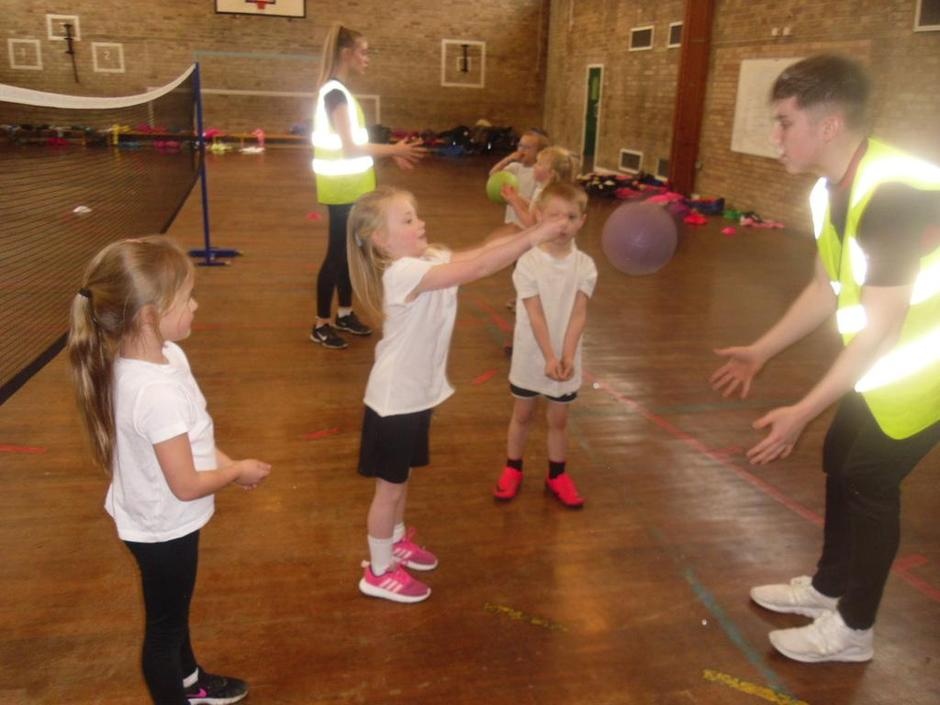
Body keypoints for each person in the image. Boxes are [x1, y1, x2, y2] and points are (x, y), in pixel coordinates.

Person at [710, 54, 940, 663]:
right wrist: (761, 350)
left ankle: (854, 630)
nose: (775, 135)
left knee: (869, 477)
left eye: (785, 122)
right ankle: (828, 587)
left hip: (927, 367)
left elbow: (882, 329)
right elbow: (824, 287)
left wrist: (802, 410)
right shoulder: (830, 189)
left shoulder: (891, 197)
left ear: (829, 125)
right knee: (841, 457)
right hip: (896, 355)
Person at [67, 236, 272, 704]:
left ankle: (191, 681)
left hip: (161, 517)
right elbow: (186, 484)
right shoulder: (153, 392)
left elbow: (194, 435)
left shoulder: (167, 357)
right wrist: (235, 471)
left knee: (174, 615)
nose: (196, 305)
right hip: (163, 528)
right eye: (187, 298)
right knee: (164, 630)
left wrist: (225, 461)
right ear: (148, 315)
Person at [347, 186, 566, 603]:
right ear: (381, 239)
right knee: (388, 490)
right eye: (407, 220)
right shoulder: (402, 273)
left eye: (417, 215)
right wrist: (535, 236)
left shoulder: (425, 260)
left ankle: (395, 541)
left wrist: (522, 229)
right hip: (393, 402)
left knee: (401, 479)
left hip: (415, 398)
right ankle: (378, 570)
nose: (420, 223)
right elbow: (479, 267)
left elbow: (480, 251)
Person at [310, 22, 425, 350]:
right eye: (363, 52)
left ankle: (345, 313)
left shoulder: (340, 92)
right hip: (341, 189)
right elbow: (350, 147)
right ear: (346, 53)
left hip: (354, 187)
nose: (367, 58)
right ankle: (321, 323)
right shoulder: (334, 94)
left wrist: (390, 155)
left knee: (351, 253)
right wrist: (394, 149)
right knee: (336, 255)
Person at [492, 182, 597, 508]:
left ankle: (557, 475)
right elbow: (534, 313)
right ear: (538, 216)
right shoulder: (528, 263)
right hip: (531, 355)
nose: (563, 224)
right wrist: (549, 356)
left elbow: (579, 314)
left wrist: (567, 356)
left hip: (565, 358)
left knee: (559, 420)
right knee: (522, 414)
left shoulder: (585, 265)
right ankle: (513, 468)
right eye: (555, 216)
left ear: (582, 221)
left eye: (571, 217)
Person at [502, 145, 579, 229]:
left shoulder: (544, 194)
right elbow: (534, 206)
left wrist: (514, 202)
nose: (534, 166)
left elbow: (531, 223)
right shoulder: (548, 191)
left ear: (551, 174)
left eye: (539, 164)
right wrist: (517, 196)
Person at [488, 128, 550, 229]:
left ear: (539, 152)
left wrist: (515, 197)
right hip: (512, 219)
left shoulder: (539, 173)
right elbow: (493, 174)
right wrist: (508, 159)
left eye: (527, 147)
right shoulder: (515, 167)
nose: (521, 150)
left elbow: (536, 204)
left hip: (527, 221)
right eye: (520, 145)